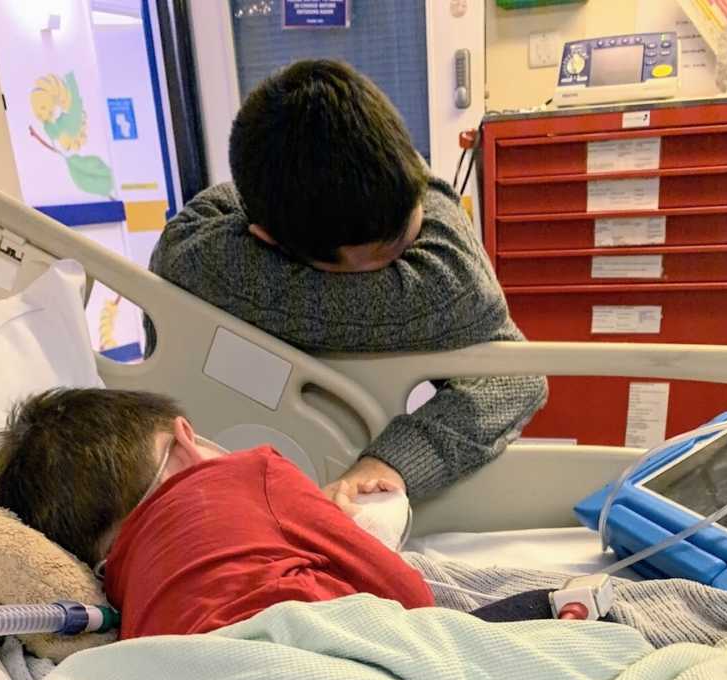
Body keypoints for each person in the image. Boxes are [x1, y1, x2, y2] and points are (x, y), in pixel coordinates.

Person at [147, 59, 545, 505]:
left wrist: (392, 461)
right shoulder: (437, 289)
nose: (406, 263)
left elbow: (514, 376)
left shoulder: (209, 242)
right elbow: (478, 317)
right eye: (382, 260)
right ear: (271, 245)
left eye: (412, 231)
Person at [0, 388, 434, 640]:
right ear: (186, 438)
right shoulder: (255, 472)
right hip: (339, 667)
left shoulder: (121, 596)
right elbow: (410, 597)